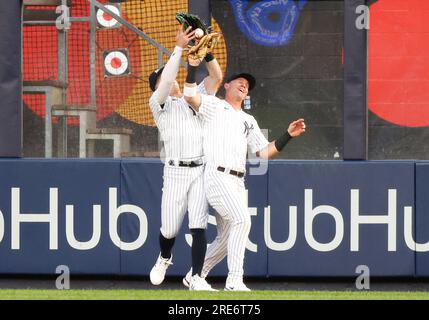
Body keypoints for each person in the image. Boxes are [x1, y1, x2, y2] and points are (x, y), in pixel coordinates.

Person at [183, 58, 306, 291]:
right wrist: (196, 64)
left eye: (247, 85)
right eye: (239, 81)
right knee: (242, 220)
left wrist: (287, 135)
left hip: (238, 180)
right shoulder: (213, 105)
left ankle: (195, 275)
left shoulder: (248, 120)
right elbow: (190, 97)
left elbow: (264, 152)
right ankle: (235, 280)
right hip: (216, 175)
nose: (244, 85)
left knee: (228, 238)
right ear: (226, 85)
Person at [148, 25, 222, 291]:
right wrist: (179, 48)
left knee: (198, 225)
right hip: (175, 172)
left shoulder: (194, 98)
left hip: (199, 169)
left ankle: (197, 277)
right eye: (162, 81)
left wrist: (206, 54)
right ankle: (165, 257)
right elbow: (166, 81)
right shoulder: (159, 105)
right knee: (168, 229)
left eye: (170, 79)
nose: (170, 81)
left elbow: (216, 77)